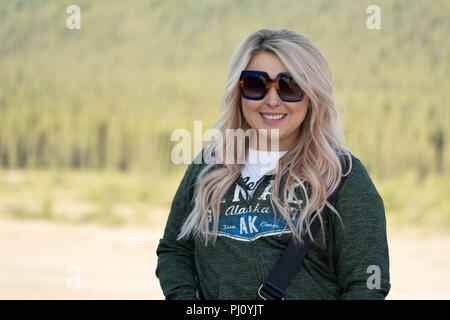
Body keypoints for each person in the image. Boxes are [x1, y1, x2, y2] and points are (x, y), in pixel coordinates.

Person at [156, 28, 390, 300]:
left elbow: (367, 282)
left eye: (290, 86)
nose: (272, 100)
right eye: (256, 84)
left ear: (313, 94)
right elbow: (175, 251)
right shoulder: (207, 167)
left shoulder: (343, 175)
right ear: (239, 90)